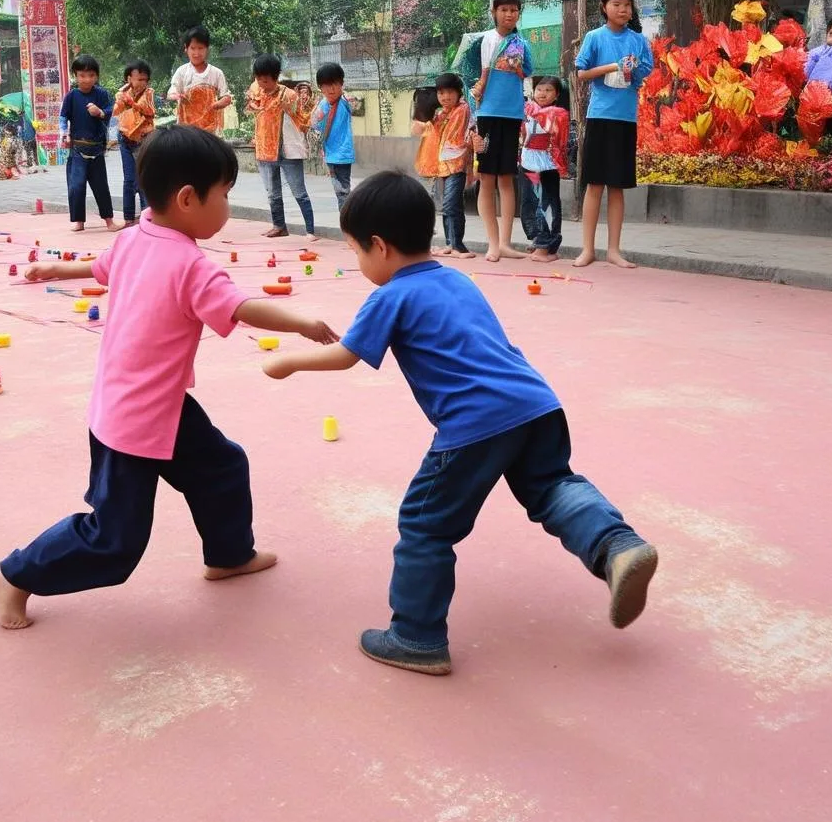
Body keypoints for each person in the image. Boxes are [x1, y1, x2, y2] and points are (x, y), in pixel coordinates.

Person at [263, 171, 658, 675]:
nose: (360, 263)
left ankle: (416, 636)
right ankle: (618, 546)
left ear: (379, 247)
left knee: (425, 523)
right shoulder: (456, 277)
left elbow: (346, 355)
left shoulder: (390, 295)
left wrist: (288, 362)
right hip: (536, 404)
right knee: (551, 485)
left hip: (476, 423)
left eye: (356, 252)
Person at [0, 126, 339, 628]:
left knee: (221, 467)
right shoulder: (192, 265)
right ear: (189, 198)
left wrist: (55, 271)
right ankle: (12, 575)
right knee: (115, 541)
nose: (228, 207)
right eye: (225, 195)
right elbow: (242, 306)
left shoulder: (136, 234)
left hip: (154, 403)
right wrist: (302, 322)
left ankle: (229, 555)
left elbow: (99, 266)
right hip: (134, 422)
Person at [574, 0, 652, 268]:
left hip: (625, 119)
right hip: (600, 117)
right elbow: (582, 73)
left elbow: (643, 74)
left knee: (617, 186)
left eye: (627, 5)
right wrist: (611, 67)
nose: (623, 10)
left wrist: (630, 71)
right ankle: (587, 249)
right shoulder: (594, 38)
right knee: (595, 184)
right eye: (617, 4)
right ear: (604, 7)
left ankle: (614, 250)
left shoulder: (639, 41)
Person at [469, 0, 532, 262]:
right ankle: (492, 243)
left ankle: (506, 242)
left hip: (512, 115)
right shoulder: (485, 41)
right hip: (487, 115)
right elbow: (477, 76)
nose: (509, 14)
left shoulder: (522, 43)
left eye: (514, 10)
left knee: (507, 178)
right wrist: (477, 92)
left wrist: (517, 67)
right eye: (504, 9)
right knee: (486, 179)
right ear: (494, 11)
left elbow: (527, 73)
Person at [246, 53, 317, 241]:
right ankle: (279, 226)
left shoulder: (289, 95)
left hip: (287, 150)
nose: (262, 85)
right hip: (265, 150)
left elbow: (303, 120)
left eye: (266, 81)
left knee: (298, 191)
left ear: (276, 78)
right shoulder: (256, 90)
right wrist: (252, 105)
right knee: (272, 193)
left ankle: (310, 230)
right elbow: (249, 107)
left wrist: (289, 109)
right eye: (259, 80)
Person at [412, 72, 476, 259]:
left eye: (449, 93)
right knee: (448, 206)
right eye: (440, 94)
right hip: (442, 166)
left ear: (458, 93)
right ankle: (450, 243)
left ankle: (459, 246)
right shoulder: (441, 114)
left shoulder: (463, 110)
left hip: (457, 165)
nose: (445, 97)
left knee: (451, 204)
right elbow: (426, 130)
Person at [59, 53, 118, 232]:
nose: (86, 79)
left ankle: (109, 221)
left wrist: (99, 112)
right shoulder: (71, 96)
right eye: (82, 75)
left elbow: (111, 112)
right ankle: (78, 221)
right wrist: (64, 134)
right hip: (77, 148)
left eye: (91, 75)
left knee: (101, 186)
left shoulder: (102, 94)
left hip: (97, 148)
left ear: (96, 76)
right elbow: (63, 117)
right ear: (75, 76)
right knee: (76, 185)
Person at [520, 76, 570, 263]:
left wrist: (530, 109)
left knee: (547, 203)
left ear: (556, 95)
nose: (542, 93)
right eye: (539, 89)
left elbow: (547, 123)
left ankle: (548, 245)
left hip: (547, 165)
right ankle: (537, 238)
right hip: (528, 162)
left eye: (548, 90)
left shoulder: (558, 113)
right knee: (529, 201)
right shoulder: (527, 109)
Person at [113, 59, 156, 226]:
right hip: (125, 138)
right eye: (138, 79)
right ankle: (129, 218)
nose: (142, 82)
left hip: (144, 140)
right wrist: (121, 100)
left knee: (144, 178)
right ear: (129, 79)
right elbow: (115, 111)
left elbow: (150, 111)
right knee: (129, 179)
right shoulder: (122, 93)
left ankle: (147, 217)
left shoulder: (149, 93)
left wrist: (131, 102)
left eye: (145, 79)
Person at [167, 25, 233, 133]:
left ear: (207, 49)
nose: (196, 53)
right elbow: (171, 92)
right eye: (192, 48)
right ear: (186, 48)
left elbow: (226, 97)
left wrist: (217, 104)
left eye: (200, 48)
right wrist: (177, 96)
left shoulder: (216, 73)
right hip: (186, 129)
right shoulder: (182, 72)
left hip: (209, 129)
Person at [311, 62, 356, 211]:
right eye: (327, 85)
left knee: (343, 191)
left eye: (335, 84)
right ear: (320, 87)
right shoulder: (323, 105)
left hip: (342, 154)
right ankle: (348, 222)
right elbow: (313, 124)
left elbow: (353, 104)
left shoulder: (344, 102)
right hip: (331, 155)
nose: (331, 89)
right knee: (341, 192)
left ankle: (348, 224)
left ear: (341, 84)